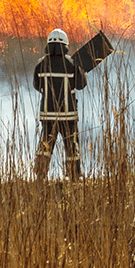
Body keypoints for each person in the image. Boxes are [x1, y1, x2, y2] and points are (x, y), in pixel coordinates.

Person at [33, 28, 87, 181]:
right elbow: (81, 84)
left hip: (47, 115)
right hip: (68, 115)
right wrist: (81, 71)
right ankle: (74, 175)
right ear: (65, 44)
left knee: (45, 144)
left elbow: (37, 86)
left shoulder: (40, 64)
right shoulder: (72, 63)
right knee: (71, 144)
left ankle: (41, 173)